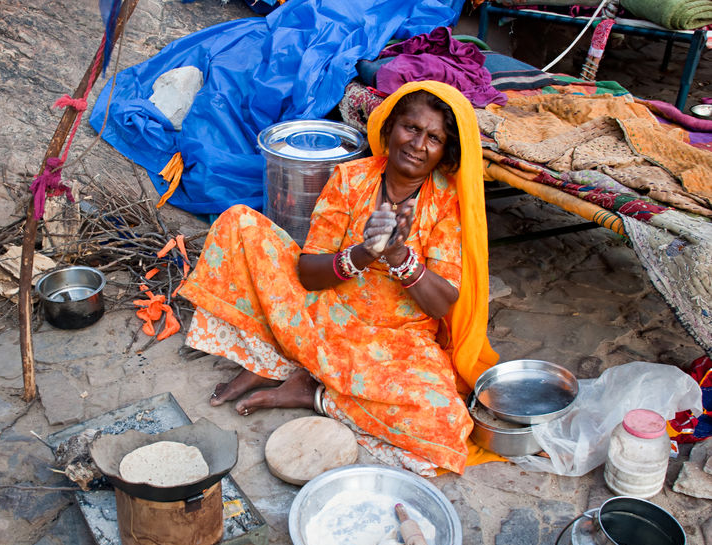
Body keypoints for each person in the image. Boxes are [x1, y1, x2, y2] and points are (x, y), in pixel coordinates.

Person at [179, 80, 501, 476]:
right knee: (239, 223)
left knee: (445, 424)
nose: (418, 144)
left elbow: (441, 302)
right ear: (389, 129)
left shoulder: (447, 202)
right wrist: (365, 252)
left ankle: (311, 391)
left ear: (445, 152)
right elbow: (309, 273)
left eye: (434, 138)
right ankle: (266, 359)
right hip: (325, 306)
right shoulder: (351, 178)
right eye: (411, 128)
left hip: (394, 337)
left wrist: (398, 255)